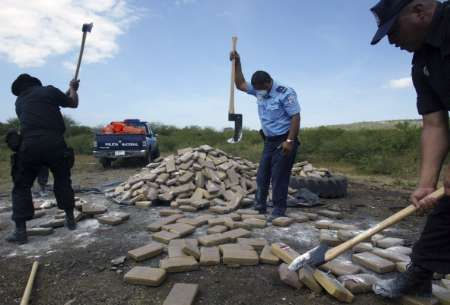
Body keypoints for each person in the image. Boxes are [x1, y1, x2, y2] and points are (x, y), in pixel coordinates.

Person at [370, 0, 450, 298]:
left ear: (418, 11)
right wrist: (426, 184)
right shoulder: (422, 63)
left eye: (394, 30)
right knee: (445, 207)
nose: (391, 40)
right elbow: (434, 124)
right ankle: (420, 276)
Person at [6, 74, 80, 244]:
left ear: (20, 89)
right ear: (36, 83)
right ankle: (70, 220)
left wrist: (70, 89)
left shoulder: (20, 102)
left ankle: (20, 232)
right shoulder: (49, 91)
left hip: (29, 145)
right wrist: (74, 90)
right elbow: (72, 102)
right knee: (62, 180)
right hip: (55, 144)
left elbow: (52, 102)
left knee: (21, 186)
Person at [230, 51, 301, 221]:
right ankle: (260, 205)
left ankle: (278, 209)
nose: (258, 92)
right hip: (269, 142)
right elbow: (239, 83)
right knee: (262, 174)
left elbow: (296, 117)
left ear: (268, 83)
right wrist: (237, 62)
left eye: (261, 88)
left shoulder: (285, 93)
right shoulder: (258, 89)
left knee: (279, 176)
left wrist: (290, 141)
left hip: (284, 140)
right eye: (257, 89)